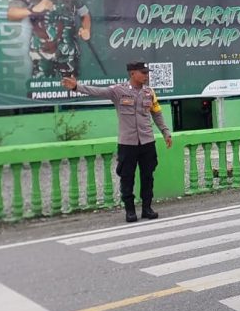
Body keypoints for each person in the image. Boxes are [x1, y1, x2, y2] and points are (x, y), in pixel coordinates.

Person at [62, 61, 172, 222]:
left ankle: (147, 209)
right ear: (132, 73)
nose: (146, 75)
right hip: (127, 143)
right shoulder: (118, 91)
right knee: (127, 177)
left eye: (147, 72)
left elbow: (156, 114)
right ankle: (130, 211)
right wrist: (76, 87)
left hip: (147, 142)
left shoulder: (149, 92)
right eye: (143, 72)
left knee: (148, 176)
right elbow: (97, 91)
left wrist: (165, 132)